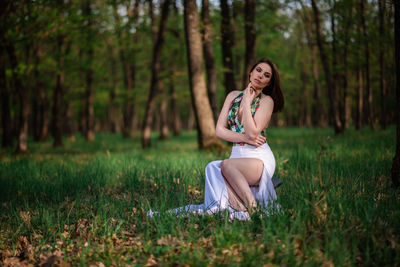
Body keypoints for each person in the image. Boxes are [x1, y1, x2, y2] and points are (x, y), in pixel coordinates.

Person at [148, 58, 284, 220]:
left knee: (225, 165)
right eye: (259, 70)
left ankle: (253, 210)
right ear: (251, 72)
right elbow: (219, 131)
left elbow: (253, 133)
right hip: (238, 155)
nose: (261, 76)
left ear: (268, 83)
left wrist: (247, 102)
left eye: (266, 75)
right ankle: (240, 210)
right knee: (212, 167)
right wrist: (244, 137)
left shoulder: (266, 101)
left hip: (258, 158)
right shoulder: (233, 96)